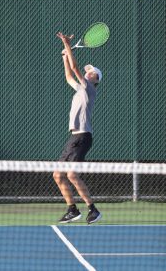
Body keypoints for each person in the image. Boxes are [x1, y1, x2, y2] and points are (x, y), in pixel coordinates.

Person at [53, 32, 102, 224]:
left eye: (91, 72)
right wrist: (65, 56)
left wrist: (66, 44)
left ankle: (93, 209)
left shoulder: (89, 88)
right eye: (87, 71)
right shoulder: (81, 89)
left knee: (72, 174)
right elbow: (68, 75)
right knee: (58, 175)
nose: (87, 72)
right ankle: (72, 209)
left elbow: (74, 68)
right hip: (74, 137)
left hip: (83, 137)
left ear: (95, 78)